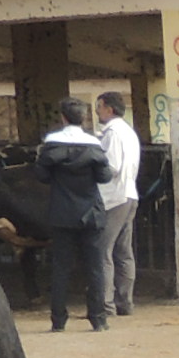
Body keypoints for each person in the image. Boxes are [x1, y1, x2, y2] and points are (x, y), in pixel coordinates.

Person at [33, 101, 112, 331]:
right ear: (83, 118)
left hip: (62, 213)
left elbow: (41, 175)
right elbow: (105, 177)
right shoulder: (94, 145)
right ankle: (98, 319)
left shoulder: (51, 145)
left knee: (60, 268)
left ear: (63, 118)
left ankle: (58, 321)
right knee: (95, 267)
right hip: (91, 213)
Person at [94, 91, 144, 315]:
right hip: (129, 193)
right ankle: (125, 302)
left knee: (102, 251)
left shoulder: (112, 133)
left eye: (99, 106)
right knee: (124, 252)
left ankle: (105, 305)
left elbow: (111, 167)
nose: (97, 111)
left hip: (113, 197)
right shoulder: (128, 131)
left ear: (109, 109)